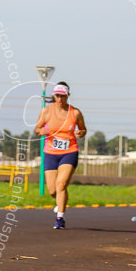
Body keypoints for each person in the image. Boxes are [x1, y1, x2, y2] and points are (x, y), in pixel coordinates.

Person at [34, 82, 87, 229]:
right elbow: (37, 129)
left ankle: (60, 218)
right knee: (52, 190)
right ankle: (60, 202)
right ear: (54, 96)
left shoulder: (75, 113)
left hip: (69, 152)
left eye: (63, 96)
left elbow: (83, 129)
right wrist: (41, 131)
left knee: (61, 184)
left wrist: (80, 133)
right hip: (50, 153)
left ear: (68, 96)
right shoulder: (46, 111)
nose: (60, 99)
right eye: (57, 96)